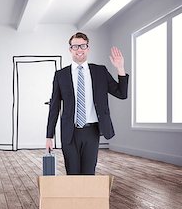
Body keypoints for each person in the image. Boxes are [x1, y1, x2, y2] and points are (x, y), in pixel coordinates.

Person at [46, 32, 128, 175]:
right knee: (72, 174)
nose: (79, 49)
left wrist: (120, 68)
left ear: (88, 48)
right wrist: (49, 137)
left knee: (89, 174)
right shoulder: (61, 75)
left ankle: (86, 198)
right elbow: (54, 107)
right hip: (69, 133)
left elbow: (121, 94)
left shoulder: (100, 71)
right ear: (70, 49)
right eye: (75, 46)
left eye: (83, 46)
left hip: (92, 132)